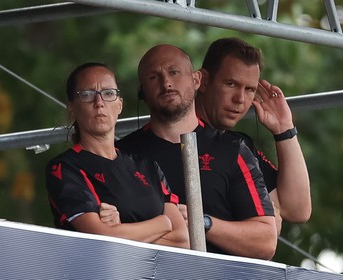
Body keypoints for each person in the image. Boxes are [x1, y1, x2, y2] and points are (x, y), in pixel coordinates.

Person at [113, 44, 277, 259]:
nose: (167, 83)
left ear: (197, 80)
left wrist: (201, 221)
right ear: (142, 90)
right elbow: (108, 235)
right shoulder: (121, 155)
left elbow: (265, 241)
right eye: (154, 76)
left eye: (174, 72)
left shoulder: (233, 149)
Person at [45, 62, 189, 249]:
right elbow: (103, 240)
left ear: (120, 105)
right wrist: (163, 223)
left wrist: (121, 229)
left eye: (108, 93)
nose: (99, 103)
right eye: (87, 95)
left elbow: (182, 239)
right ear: (71, 108)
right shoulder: (65, 167)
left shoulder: (147, 166)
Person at [195, 37, 311, 226]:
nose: (240, 99)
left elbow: (297, 210)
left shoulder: (239, 145)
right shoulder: (174, 131)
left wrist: (284, 129)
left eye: (249, 89)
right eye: (231, 84)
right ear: (204, 81)